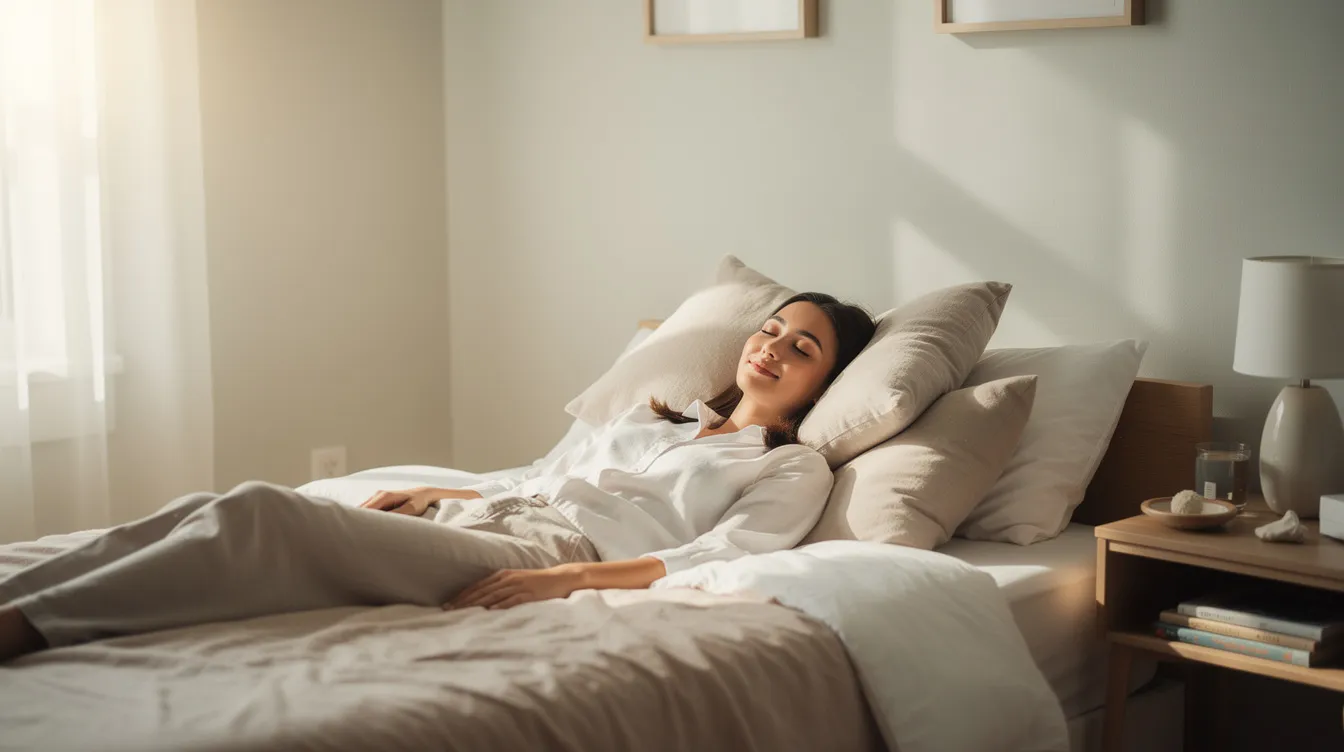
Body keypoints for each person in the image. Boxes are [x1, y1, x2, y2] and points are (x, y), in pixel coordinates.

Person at [0, 293, 876, 662]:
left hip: (550, 553)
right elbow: (539, 475)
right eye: (771, 329)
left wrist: (567, 578)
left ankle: (29, 627)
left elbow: (723, 555)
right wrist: (439, 497)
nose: (773, 348)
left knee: (265, 516)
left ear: (823, 383)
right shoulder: (660, 415)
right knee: (214, 507)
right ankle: (22, 596)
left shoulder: (790, 465)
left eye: (802, 348)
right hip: (492, 519)